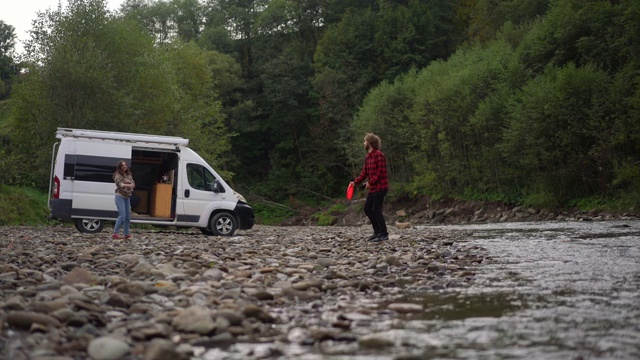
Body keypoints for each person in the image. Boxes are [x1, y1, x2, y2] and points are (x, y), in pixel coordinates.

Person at [350, 133, 389, 242]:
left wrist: (370, 183)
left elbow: (379, 173)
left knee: (376, 209)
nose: (364, 143)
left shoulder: (379, 155)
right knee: (367, 209)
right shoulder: (368, 157)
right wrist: (355, 182)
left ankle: (384, 234)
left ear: (370, 143)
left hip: (381, 187)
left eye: (365, 141)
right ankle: (377, 232)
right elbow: (364, 173)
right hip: (373, 188)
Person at [113, 160, 135, 239]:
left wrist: (128, 182)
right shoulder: (118, 175)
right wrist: (129, 184)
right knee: (122, 216)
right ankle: (115, 233)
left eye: (125, 165)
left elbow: (133, 184)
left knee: (128, 217)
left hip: (127, 196)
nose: (125, 166)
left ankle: (126, 234)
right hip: (120, 196)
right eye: (123, 165)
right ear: (120, 167)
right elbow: (121, 185)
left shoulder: (128, 175)